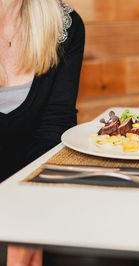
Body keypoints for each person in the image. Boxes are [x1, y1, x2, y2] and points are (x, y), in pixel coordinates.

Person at [0, 0, 85, 265]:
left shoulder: (64, 25)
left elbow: (53, 130)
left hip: (34, 193)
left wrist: (30, 218)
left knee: (104, 252)